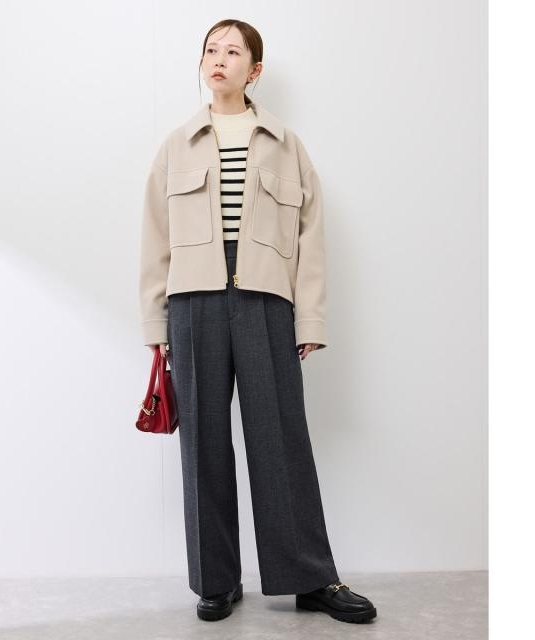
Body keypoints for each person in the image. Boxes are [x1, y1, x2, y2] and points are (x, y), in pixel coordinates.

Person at [138, 19, 377, 624]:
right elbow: (155, 240)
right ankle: (215, 581)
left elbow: (311, 238)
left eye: (232, 51)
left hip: (266, 301)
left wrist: (309, 319)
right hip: (193, 302)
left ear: (255, 70)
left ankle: (309, 578)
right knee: (203, 444)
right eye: (210, 50)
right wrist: (156, 328)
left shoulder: (285, 144)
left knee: (280, 438)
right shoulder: (176, 145)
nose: (218, 59)